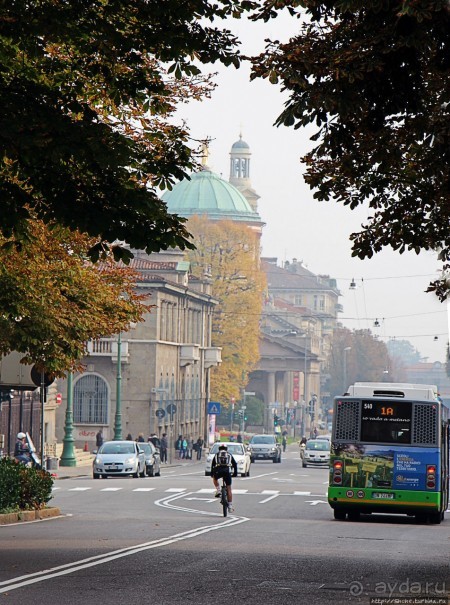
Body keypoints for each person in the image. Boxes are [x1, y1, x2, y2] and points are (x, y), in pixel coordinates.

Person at [211, 444, 238, 513]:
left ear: (219, 449)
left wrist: (212, 473)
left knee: (215, 478)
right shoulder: (229, 455)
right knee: (229, 488)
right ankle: (230, 506)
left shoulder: (217, 455)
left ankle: (218, 490)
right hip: (227, 471)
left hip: (218, 471)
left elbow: (213, 464)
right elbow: (234, 464)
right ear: (226, 449)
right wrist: (235, 473)